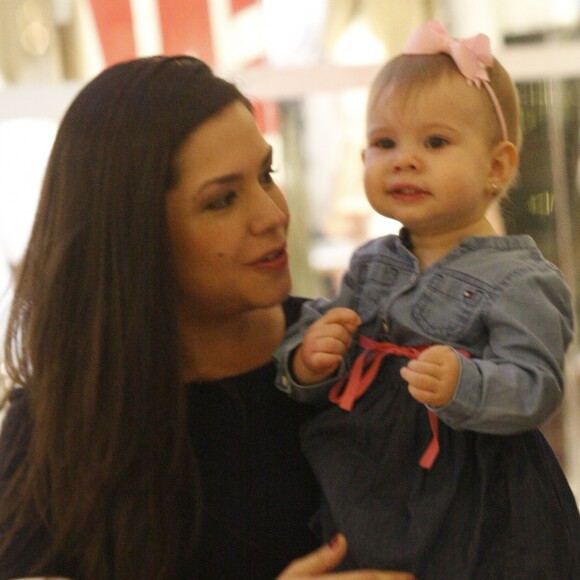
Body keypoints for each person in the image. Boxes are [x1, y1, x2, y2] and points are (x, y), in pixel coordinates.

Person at [0, 56, 417, 580]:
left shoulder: (354, 358)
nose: (272, 215)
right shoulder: (56, 430)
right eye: (222, 200)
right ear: (136, 236)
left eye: (266, 174)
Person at [275, 20, 580, 578]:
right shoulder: (371, 263)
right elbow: (324, 344)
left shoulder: (521, 278)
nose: (404, 159)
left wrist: (466, 384)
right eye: (384, 143)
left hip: (479, 502)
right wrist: (310, 357)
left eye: (434, 142)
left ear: (497, 166)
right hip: (372, 485)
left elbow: (538, 386)